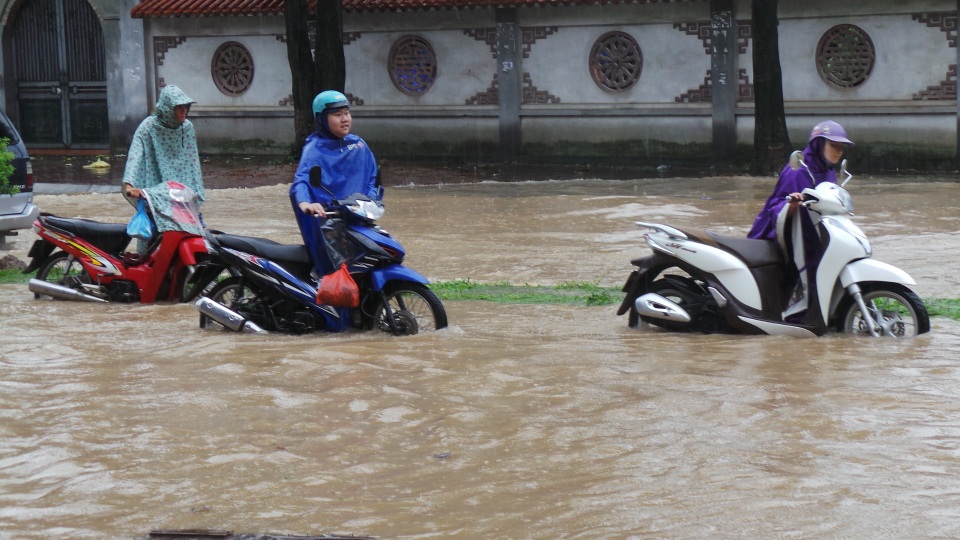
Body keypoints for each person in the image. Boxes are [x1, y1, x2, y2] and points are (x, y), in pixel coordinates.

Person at [747, 120, 854, 321]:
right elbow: (775, 206)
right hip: (782, 235)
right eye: (834, 146)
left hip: (813, 233)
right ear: (818, 144)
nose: (839, 152)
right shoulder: (797, 171)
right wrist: (792, 205)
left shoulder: (828, 171)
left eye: (841, 148)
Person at [289, 90, 380, 275]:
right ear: (322, 118)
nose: (344, 119)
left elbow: (373, 177)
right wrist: (306, 203)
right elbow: (301, 181)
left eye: (346, 113)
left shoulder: (359, 146)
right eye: (337, 115)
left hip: (358, 218)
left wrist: (371, 200)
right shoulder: (314, 149)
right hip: (329, 223)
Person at [122, 84, 205, 242]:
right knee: (155, 241)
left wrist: (196, 192)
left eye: (185, 107)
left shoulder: (187, 128)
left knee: (190, 240)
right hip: (156, 192)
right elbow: (136, 155)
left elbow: (193, 163)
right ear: (167, 108)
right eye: (178, 107)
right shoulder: (148, 127)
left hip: (181, 195)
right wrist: (129, 185)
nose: (183, 111)